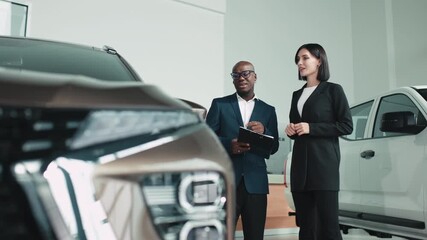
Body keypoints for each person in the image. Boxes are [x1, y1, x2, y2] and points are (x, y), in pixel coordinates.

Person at [285, 43, 353, 240]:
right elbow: (297, 125)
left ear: (319, 60)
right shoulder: (296, 95)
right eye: (298, 60)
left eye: (305, 58)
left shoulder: (333, 91)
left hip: (324, 167)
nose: (300, 63)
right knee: (306, 228)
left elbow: (346, 126)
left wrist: (311, 127)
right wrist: (292, 130)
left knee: (329, 228)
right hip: (300, 169)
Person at [206, 61, 279, 240]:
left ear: (255, 77)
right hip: (227, 183)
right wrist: (227, 146)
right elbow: (207, 140)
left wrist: (265, 131)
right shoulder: (220, 105)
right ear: (233, 80)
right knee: (222, 235)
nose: (241, 78)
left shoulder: (268, 110)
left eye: (246, 73)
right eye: (236, 75)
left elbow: (275, 146)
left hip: (256, 184)